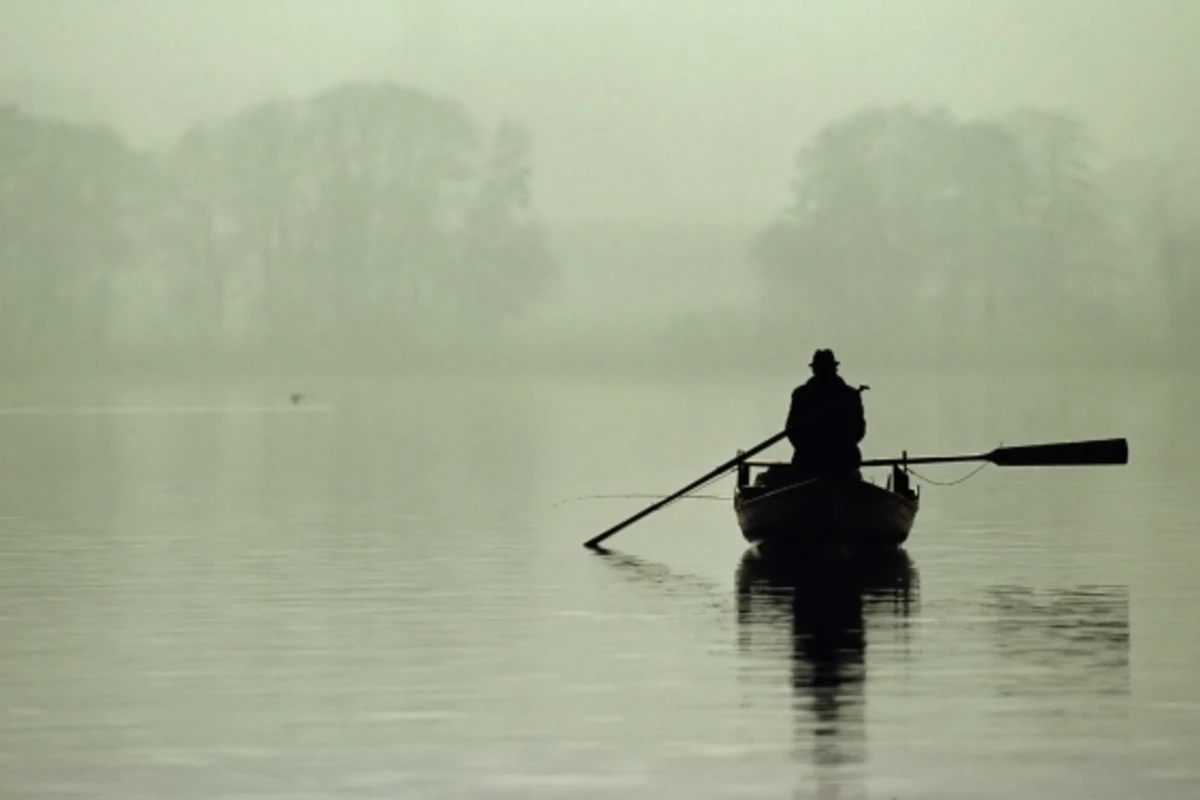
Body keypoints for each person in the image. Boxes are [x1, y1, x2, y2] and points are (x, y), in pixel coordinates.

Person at [785, 348, 866, 481]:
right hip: (810, 462)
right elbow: (792, 430)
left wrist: (837, 445)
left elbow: (858, 430)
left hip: (842, 462)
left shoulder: (849, 396)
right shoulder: (802, 395)